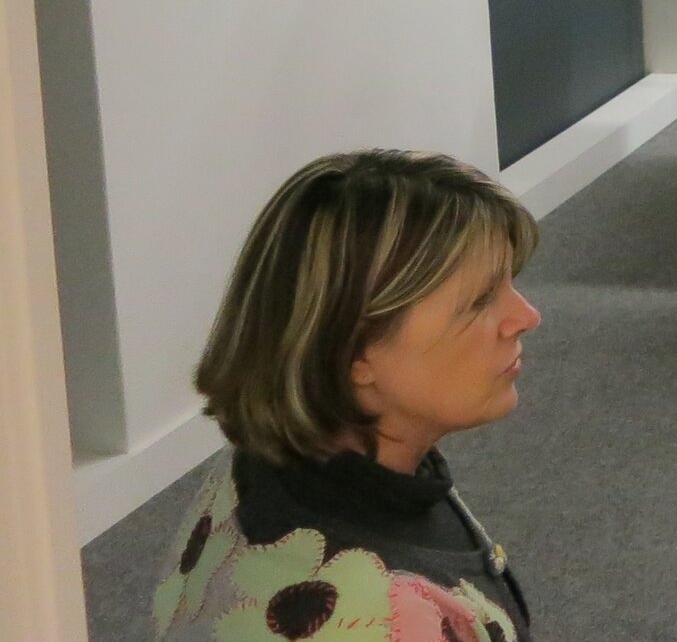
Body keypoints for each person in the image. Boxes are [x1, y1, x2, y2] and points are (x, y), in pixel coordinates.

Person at [155, 151, 540, 642]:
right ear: (353, 351)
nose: (526, 316)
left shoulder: (266, 462)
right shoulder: (378, 619)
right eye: (481, 300)